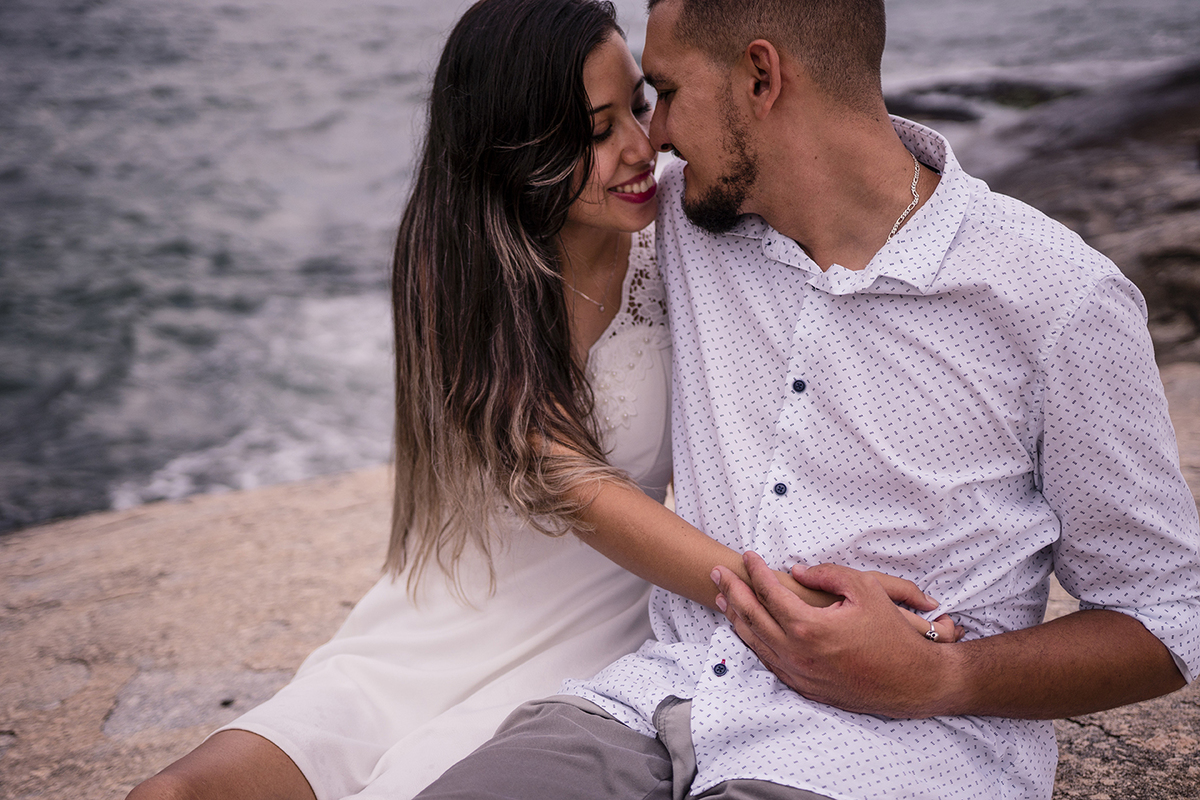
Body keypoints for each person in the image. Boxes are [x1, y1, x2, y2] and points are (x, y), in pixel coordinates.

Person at [126, 2, 955, 799]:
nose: (643, 147)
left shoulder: (680, 231)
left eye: (639, 106)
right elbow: (570, 484)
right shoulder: (452, 269)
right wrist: (780, 601)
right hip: (438, 617)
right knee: (175, 793)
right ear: (514, 152)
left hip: (599, 633)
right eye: (598, 132)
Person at [409, 0, 1200, 799]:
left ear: (762, 76)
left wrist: (939, 674)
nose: (657, 139)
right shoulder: (675, 221)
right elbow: (493, 228)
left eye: (667, 93)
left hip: (885, 752)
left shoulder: (1056, 298)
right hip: (647, 705)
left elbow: (1165, 617)